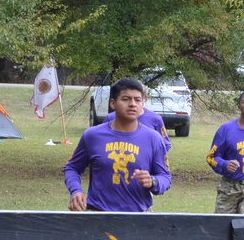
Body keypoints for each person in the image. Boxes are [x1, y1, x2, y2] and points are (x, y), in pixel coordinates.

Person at [64, 77, 171, 212]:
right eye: (126, 99)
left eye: (137, 100)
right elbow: (72, 167)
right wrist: (76, 190)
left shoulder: (153, 138)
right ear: (113, 104)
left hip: (139, 218)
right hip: (98, 215)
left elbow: (165, 177)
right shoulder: (92, 136)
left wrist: (153, 181)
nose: (133, 104)